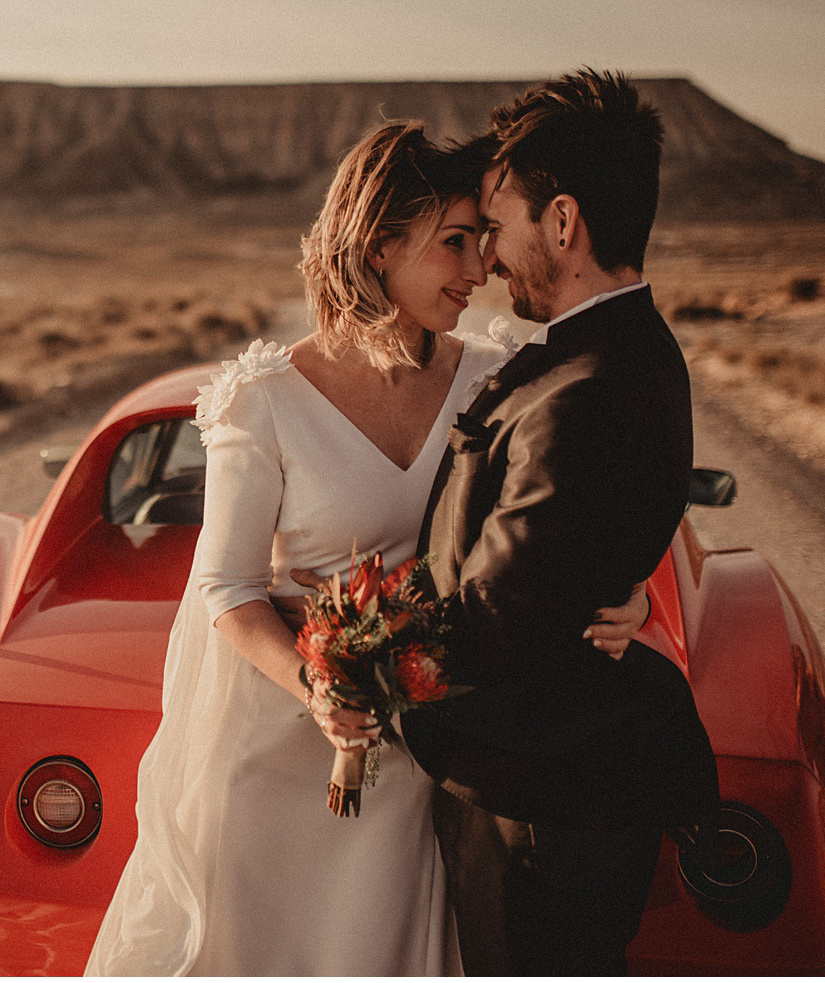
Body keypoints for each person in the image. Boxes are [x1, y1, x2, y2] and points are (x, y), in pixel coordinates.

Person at [85, 120, 648, 976]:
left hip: (434, 759)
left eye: (485, 240)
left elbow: (563, 518)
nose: (479, 269)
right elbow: (227, 587)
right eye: (455, 242)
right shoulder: (264, 398)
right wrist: (319, 685)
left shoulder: (497, 376)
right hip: (278, 758)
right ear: (381, 244)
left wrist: (626, 590)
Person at [400, 69, 721, 975]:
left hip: (541, 800)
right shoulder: (619, 353)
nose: (490, 257)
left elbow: (498, 621)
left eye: (498, 227)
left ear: (566, 221)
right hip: (554, 784)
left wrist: (354, 663)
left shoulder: (590, 392)